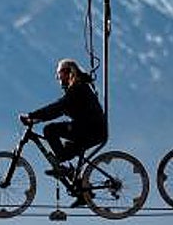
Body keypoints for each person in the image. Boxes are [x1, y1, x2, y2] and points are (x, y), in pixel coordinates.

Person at [20, 58, 108, 189]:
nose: (58, 77)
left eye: (59, 73)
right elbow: (58, 111)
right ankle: (82, 192)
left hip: (90, 130)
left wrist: (32, 115)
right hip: (93, 130)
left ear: (68, 72)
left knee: (50, 130)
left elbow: (58, 106)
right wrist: (36, 120)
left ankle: (63, 167)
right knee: (68, 148)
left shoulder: (78, 88)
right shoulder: (78, 88)